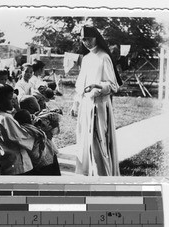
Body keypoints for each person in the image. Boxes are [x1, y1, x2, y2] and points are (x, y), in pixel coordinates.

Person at [70, 26, 123, 176]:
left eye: (88, 38)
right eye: (83, 39)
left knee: (99, 141)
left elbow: (113, 86)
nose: (86, 42)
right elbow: (80, 85)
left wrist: (97, 87)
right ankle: (86, 174)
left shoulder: (104, 57)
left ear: (96, 37)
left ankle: (102, 174)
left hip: (99, 106)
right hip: (86, 106)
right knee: (85, 140)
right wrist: (75, 103)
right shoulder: (85, 59)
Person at [0, 85, 36, 175]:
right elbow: (21, 138)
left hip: (7, 160)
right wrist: (35, 133)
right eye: (10, 98)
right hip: (18, 164)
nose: (13, 101)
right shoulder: (6, 118)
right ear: (0, 101)